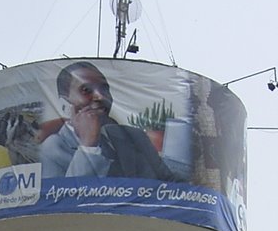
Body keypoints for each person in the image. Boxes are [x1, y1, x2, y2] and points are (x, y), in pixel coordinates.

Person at [40, 61, 179, 181]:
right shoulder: (53, 148)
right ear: (64, 105)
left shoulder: (134, 136)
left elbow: (170, 183)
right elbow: (65, 201)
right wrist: (89, 146)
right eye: (86, 90)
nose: (100, 96)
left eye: (105, 89)